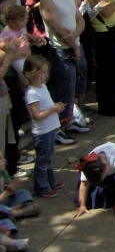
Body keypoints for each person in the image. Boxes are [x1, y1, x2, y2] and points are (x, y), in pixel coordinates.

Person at [40, 0, 86, 129]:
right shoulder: (47, 0)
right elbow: (59, 30)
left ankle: (69, 121)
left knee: (73, 89)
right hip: (61, 52)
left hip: (75, 47)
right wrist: (73, 45)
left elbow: (80, 21)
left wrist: (74, 38)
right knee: (62, 92)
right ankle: (59, 128)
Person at [24, 55, 66, 198]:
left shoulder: (42, 87)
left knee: (48, 157)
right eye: (43, 72)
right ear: (33, 73)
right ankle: (42, 188)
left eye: (46, 72)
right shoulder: (32, 93)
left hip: (49, 129)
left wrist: (56, 107)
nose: (46, 75)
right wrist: (53, 109)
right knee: (43, 160)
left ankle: (50, 182)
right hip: (42, 132)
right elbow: (37, 115)